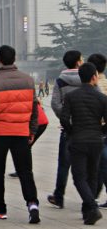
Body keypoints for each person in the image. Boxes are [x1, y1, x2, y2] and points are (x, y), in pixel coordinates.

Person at [0, 45, 40, 224]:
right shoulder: (28, 80)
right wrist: (32, 131)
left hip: (0, 133)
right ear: (14, 59)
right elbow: (34, 109)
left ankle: (0, 209)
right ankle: (32, 204)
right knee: (25, 171)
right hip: (22, 132)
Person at [60, 62, 107, 225]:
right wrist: (101, 132)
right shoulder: (102, 98)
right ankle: (88, 211)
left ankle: (92, 208)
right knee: (92, 176)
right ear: (94, 77)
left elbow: (64, 118)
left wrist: (71, 131)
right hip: (96, 141)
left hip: (78, 140)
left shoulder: (71, 96)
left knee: (79, 177)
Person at [48, 50, 84, 209]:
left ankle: (59, 196)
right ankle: (89, 197)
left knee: (64, 164)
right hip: (88, 128)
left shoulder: (61, 80)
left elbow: (55, 103)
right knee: (91, 165)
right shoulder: (88, 77)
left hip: (69, 130)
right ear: (78, 62)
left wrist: (66, 120)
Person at [86, 53, 107, 208]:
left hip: (97, 130)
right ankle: (92, 195)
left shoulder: (95, 86)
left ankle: (92, 196)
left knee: (99, 165)